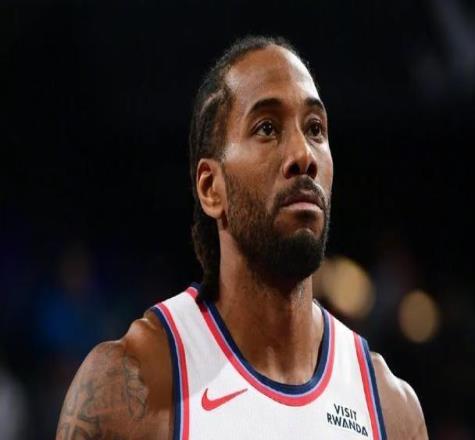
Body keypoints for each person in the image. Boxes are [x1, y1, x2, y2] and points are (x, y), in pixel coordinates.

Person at [56, 35, 428, 440]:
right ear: (211, 188)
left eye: (315, 129)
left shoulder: (391, 409)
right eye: (267, 128)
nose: (303, 155)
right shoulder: (130, 387)